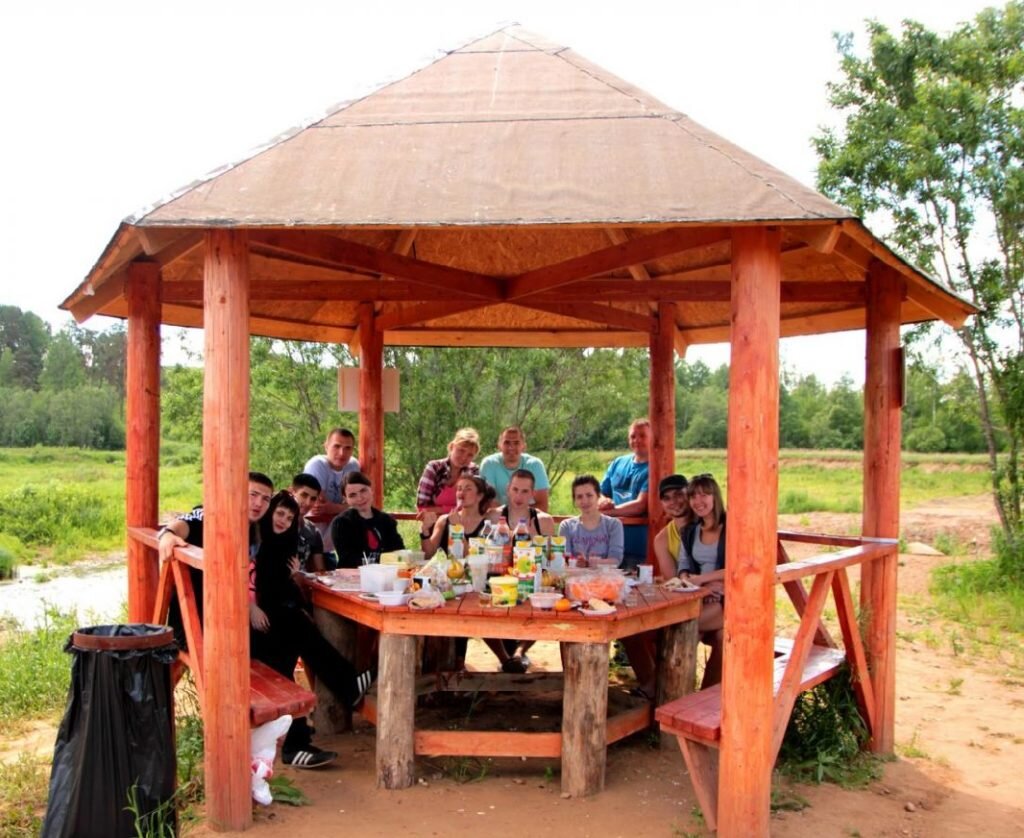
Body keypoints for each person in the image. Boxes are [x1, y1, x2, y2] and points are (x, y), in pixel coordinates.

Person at [252, 491, 373, 768]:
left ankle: (299, 740)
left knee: (299, 633)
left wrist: (295, 579)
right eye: (280, 513)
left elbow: (281, 589)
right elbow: (257, 586)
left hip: (277, 619)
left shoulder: (284, 544)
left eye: (290, 517)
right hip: (256, 623)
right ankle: (297, 742)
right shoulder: (256, 538)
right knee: (288, 654)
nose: (283, 520)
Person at [677, 473, 727, 689]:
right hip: (702, 596)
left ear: (715, 496)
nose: (699, 501)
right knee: (694, 634)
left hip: (728, 599)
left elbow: (739, 567)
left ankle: (702, 697)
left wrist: (703, 580)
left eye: (704, 495)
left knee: (682, 627)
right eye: (693, 497)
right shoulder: (690, 531)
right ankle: (679, 694)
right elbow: (683, 564)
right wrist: (687, 578)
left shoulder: (731, 527)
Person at [598, 418, 651, 571]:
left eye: (642, 436)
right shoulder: (618, 463)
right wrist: (602, 501)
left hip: (638, 546)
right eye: (633, 436)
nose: (637, 440)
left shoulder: (655, 467)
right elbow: (600, 491)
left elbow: (641, 505)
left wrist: (609, 511)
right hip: (609, 546)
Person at [330, 471, 405, 568]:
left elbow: (399, 552)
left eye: (363, 491)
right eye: (353, 495)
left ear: (371, 489)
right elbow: (348, 559)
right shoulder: (341, 523)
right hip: (352, 578)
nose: (360, 498)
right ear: (345, 499)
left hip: (386, 575)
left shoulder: (387, 521)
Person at [303, 428, 361, 554]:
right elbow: (318, 506)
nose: (341, 453)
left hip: (331, 542)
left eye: (347, 448)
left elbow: (359, 502)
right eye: (337, 446)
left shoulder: (353, 466)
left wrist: (336, 508)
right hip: (309, 536)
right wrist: (346, 506)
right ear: (326, 446)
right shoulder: (317, 465)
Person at [420, 475, 498, 560]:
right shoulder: (444, 520)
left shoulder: (487, 525)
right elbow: (428, 555)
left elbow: (474, 559)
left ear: (480, 496)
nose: (461, 492)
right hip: (446, 572)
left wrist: (458, 529)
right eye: (459, 489)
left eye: (468, 489)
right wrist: (425, 531)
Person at [478, 426, 551, 510]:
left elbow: (542, 505)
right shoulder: (489, 464)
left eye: (516, 443)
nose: (511, 447)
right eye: (507, 442)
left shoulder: (535, 465)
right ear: (499, 445)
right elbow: (488, 503)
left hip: (528, 519)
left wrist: (517, 516)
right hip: (497, 519)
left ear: (524, 446)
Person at [558, 474, 624, 564]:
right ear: (575, 501)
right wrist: (577, 562)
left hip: (605, 577)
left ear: (598, 496)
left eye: (589, 495)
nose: (584, 501)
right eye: (579, 497)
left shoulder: (614, 525)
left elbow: (616, 560)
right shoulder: (566, 526)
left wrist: (591, 562)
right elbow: (564, 559)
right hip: (575, 576)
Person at [416, 427, 481, 514]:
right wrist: (453, 510)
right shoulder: (434, 468)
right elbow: (422, 508)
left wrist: (438, 509)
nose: (464, 457)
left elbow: (478, 506)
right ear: (451, 447)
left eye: (470, 455)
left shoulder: (474, 471)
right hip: (433, 525)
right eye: (461, 450)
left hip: (465, 525)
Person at [651, 474, 692, 581]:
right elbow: (673, 581)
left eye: (678, 495)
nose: (673, 502)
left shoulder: (707, 524)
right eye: (666, 498)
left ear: (689, 494)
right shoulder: (662, 539)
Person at [288, 473, 329, 572]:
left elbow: (320, 571)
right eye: (304, 495)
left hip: (302, 583)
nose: (307, 503)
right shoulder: (276, 524)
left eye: (313, 499)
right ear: (292, 492)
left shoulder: (313, 531)